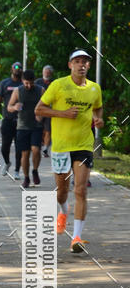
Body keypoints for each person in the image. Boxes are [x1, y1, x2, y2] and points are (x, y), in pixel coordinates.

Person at [35, 49, 103, 253]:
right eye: (78, 61)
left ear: (89, 66)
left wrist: (98, 119)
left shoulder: (94, 89)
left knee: (80, 190)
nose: (82, 65)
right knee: (61, 192)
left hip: (83, 145)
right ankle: (63, 212)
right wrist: (62, 113)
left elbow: (98, 108)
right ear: (70, 65)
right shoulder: (58, 85)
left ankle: (76, 237)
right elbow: (39, 109)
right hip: (61, 147)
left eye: (85, 62)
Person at [7, 69, 44, 188]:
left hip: (36, 125)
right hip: (22, 126)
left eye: (31, 83)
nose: (28, 85)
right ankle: (26, 177)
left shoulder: (40, 90)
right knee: (25, 154)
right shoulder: (18, 91)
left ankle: (35, 170)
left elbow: (47, 106)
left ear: (34, 81)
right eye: (26, 83)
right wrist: (15, 107)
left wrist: (41, 115)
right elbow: (9, 107)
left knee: (36, 150)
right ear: (22, 81)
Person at [0, 62, 23, 177]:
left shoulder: (23, 83)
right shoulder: (5, 83)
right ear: (11, 69)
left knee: (19, 146)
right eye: (15, 67)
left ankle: (16, 170)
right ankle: (7, 162)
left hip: (21, 120)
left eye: (20, 68)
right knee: (5, 146)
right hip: (7, 119)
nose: (18, 69)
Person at [35, 65, 54, 157]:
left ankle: (45, 149)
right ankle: (37, 146)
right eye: (45, 71)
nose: (47, 73)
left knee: (48, 130)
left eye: (48, 72)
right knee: (39, 129)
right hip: (39, 109)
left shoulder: (54, 83)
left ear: (51, 73)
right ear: (43, 72)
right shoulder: (37, 82)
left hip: (49, 110)